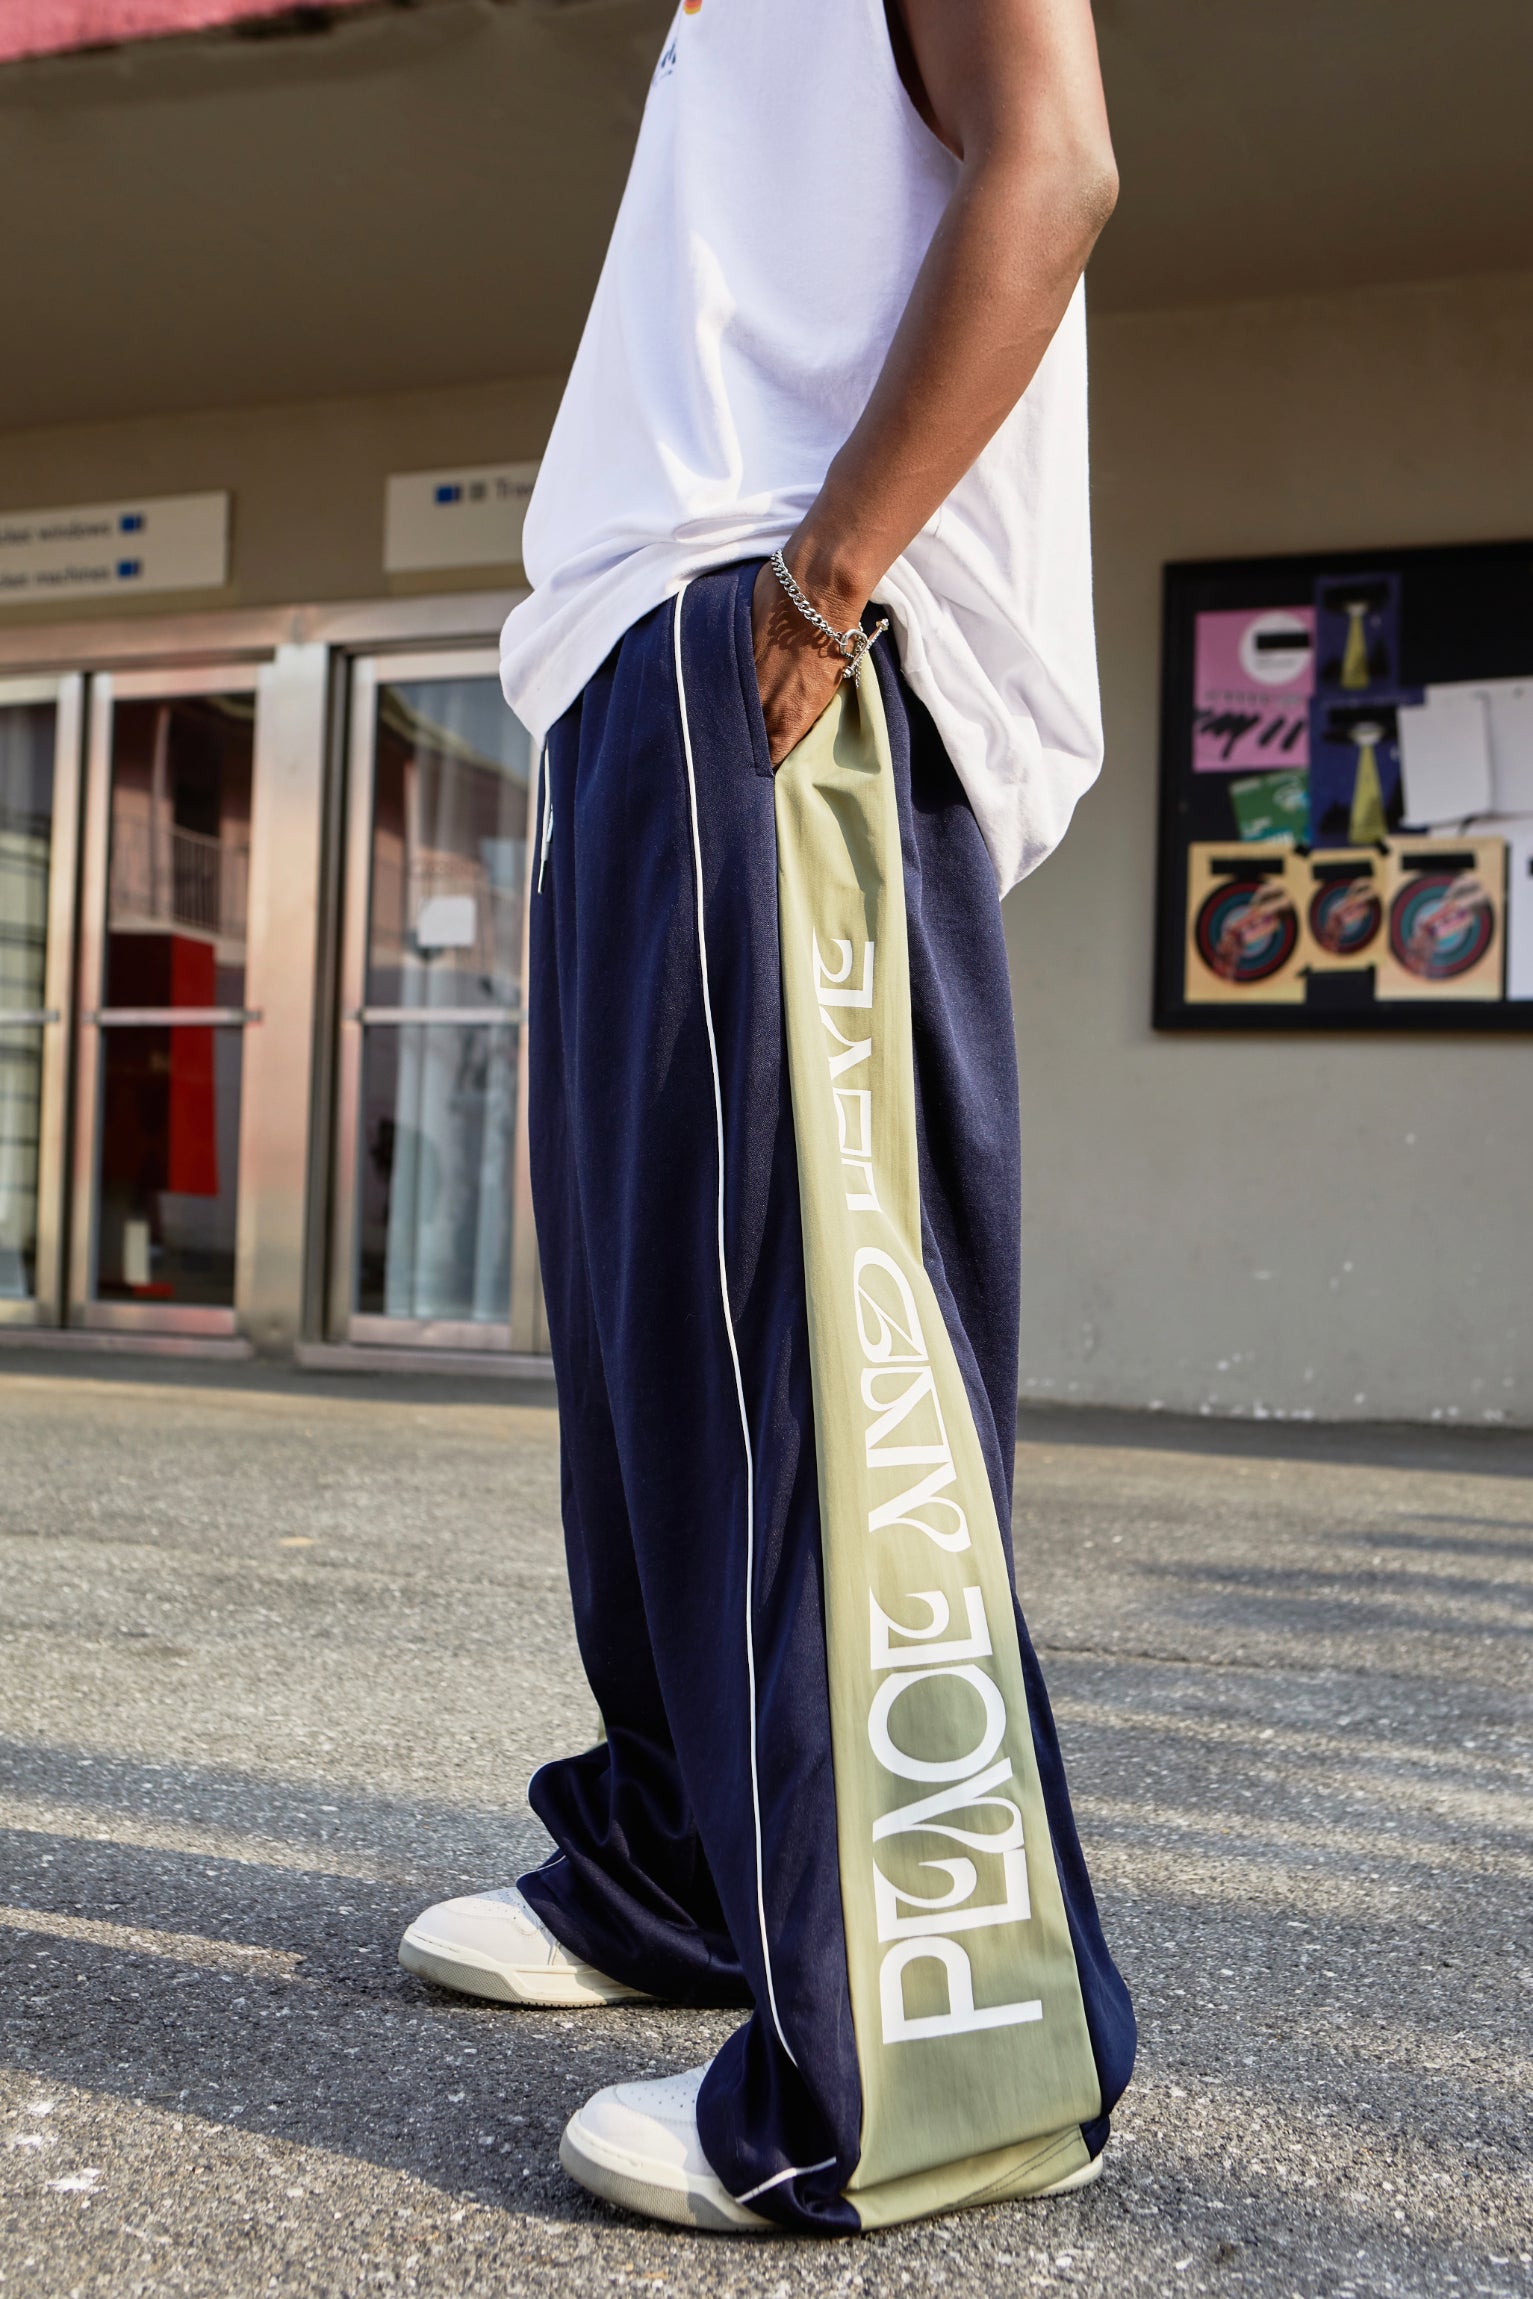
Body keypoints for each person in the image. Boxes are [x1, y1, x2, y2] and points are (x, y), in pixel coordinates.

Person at [399, 0, 1135, 2237]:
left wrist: (821, 583)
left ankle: (931, 2056)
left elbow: (1052, 168)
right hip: (644, 665)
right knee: (653, 1371)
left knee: (803, 1362)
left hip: (777, 627)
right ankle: (680, 1866)